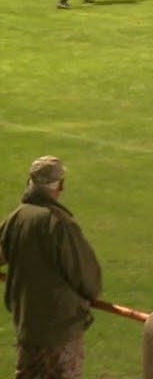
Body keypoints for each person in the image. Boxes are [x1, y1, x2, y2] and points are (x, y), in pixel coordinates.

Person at [0, 157, 103, 379]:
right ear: (61, 185)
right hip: (58, 328)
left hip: (27, 325)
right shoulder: (59, 224)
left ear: (30, 181)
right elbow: (87, 278)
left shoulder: (17, 217)